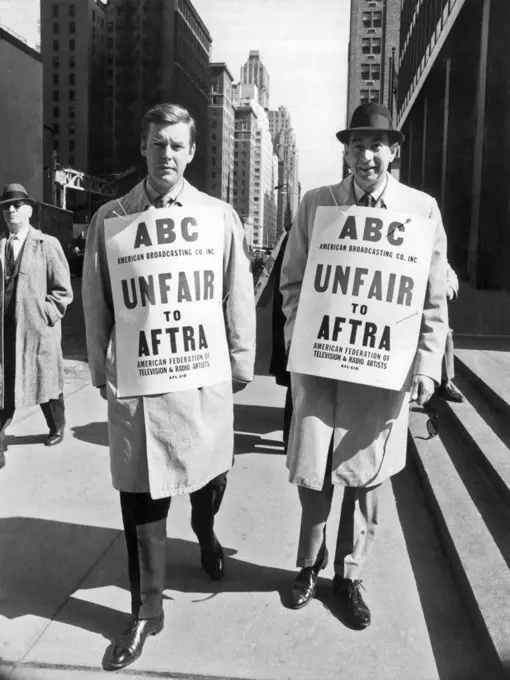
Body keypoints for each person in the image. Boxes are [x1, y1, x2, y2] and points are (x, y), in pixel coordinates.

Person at [82, 103, 256, 671]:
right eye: (157, 144)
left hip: (200, 380)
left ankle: (205, 532)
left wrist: (240, 360)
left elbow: (237, 292)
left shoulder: (217, 216)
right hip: (139, 385)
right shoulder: (113, 218)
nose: (167, 156)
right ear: (143, 146)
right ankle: (145, 610)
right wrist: (100, 365)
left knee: (208, 479)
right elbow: (96, 300)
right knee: (140, 497)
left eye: (177, 145)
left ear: (192, 151)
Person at [280, 102, 448, 629]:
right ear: (346, 151)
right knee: (314, 476)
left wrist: (425, 366)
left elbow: (432, 297)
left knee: (367, 479)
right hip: (323, 366)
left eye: (376, 145)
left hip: (383, 371)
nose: (366, 155)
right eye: (356, 145)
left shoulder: (421, 209)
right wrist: (299, 336)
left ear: (393, 151)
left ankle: (351, 576)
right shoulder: (317, 204)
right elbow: (291, 283)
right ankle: (310, 564)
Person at [0, 183, 72, 460]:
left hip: (37, 330)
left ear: (29, 210)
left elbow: (63, 290)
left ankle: (57, 425)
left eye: (17, 205)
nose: (11, 210)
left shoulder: (47, 244)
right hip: (5, 332)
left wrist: (46, 314)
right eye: (7, 206)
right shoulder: (1, 245)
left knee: (46, 383)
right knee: (5, 385)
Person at [436, 262, 463, 403]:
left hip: (429, 304)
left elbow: (451, 274)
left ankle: (444, 383)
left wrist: (448, 289)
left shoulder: (433, 245)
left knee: (446, 335)